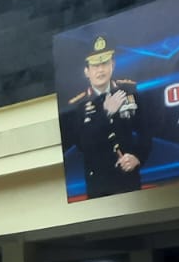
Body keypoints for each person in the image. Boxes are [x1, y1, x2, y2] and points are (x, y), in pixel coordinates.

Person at [60, 35, 153, 198]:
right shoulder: (78, 104)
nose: (100, 70)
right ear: (86, 71)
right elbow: (83, 144)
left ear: (113, 65)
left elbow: (146, 130)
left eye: (104, 63)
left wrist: (138, 157)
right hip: (99, 183)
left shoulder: (128, 91)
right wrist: (105, 113)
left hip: (128, 178)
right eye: (95, 66)